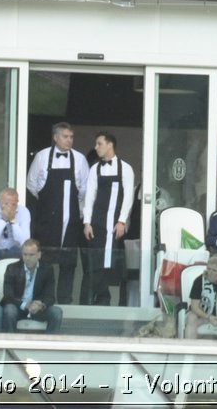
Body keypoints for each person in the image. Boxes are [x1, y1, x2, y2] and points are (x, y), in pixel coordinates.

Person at [27, 122, 90, 303]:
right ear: (55, 137)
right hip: (47, 218)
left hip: (71, 220)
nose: (69, 140)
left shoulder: (79, 159)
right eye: (65, 136)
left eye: (71, 137)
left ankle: (65, 301)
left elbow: (85, 188)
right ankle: (42, 299)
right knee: (44, 262)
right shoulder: (41, 157)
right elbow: (31, 184)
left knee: (68, 263)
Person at [81, 131, 136, 305]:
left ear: (110, 144)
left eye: (99, 144)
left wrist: (122, 221)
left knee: (114, 262)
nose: (96, 147)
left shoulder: (125, 168)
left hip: (116, 223)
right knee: (96, 261)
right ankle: (102, 296)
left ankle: (119, 302)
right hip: (97, 220)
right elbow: (89, 197)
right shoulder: (95, 168)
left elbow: (128, 197)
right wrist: (87, 222)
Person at [0, 238, 63, 333]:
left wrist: (41, 305)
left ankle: (49, 345)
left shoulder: (47, 269)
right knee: (9, 310)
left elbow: (50, 296)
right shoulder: (12, 268)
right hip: (19, 307)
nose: (27, 258)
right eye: (25, 254)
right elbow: (8, 295)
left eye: (31, 255)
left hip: (37, 309)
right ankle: (10, 346)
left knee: (56, 312)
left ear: (39, 255)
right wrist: (26, 305)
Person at [184, 252, 217, 340]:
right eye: (208, 269)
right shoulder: (199, 281)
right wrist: (209, 317)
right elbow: (194, 307)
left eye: (214, 270)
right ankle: (190, 351)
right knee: (191, 317)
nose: (210, 273)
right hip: (203, 316)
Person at [0, 188, 33, 262]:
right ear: (0, 201)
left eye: (13, 204)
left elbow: (25, 241)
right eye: (6, 203)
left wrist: (13, 221)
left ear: (17, 202)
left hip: (14, 248)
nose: (9, 207)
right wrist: (3, 220)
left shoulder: (24, 211)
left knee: (27, 250)